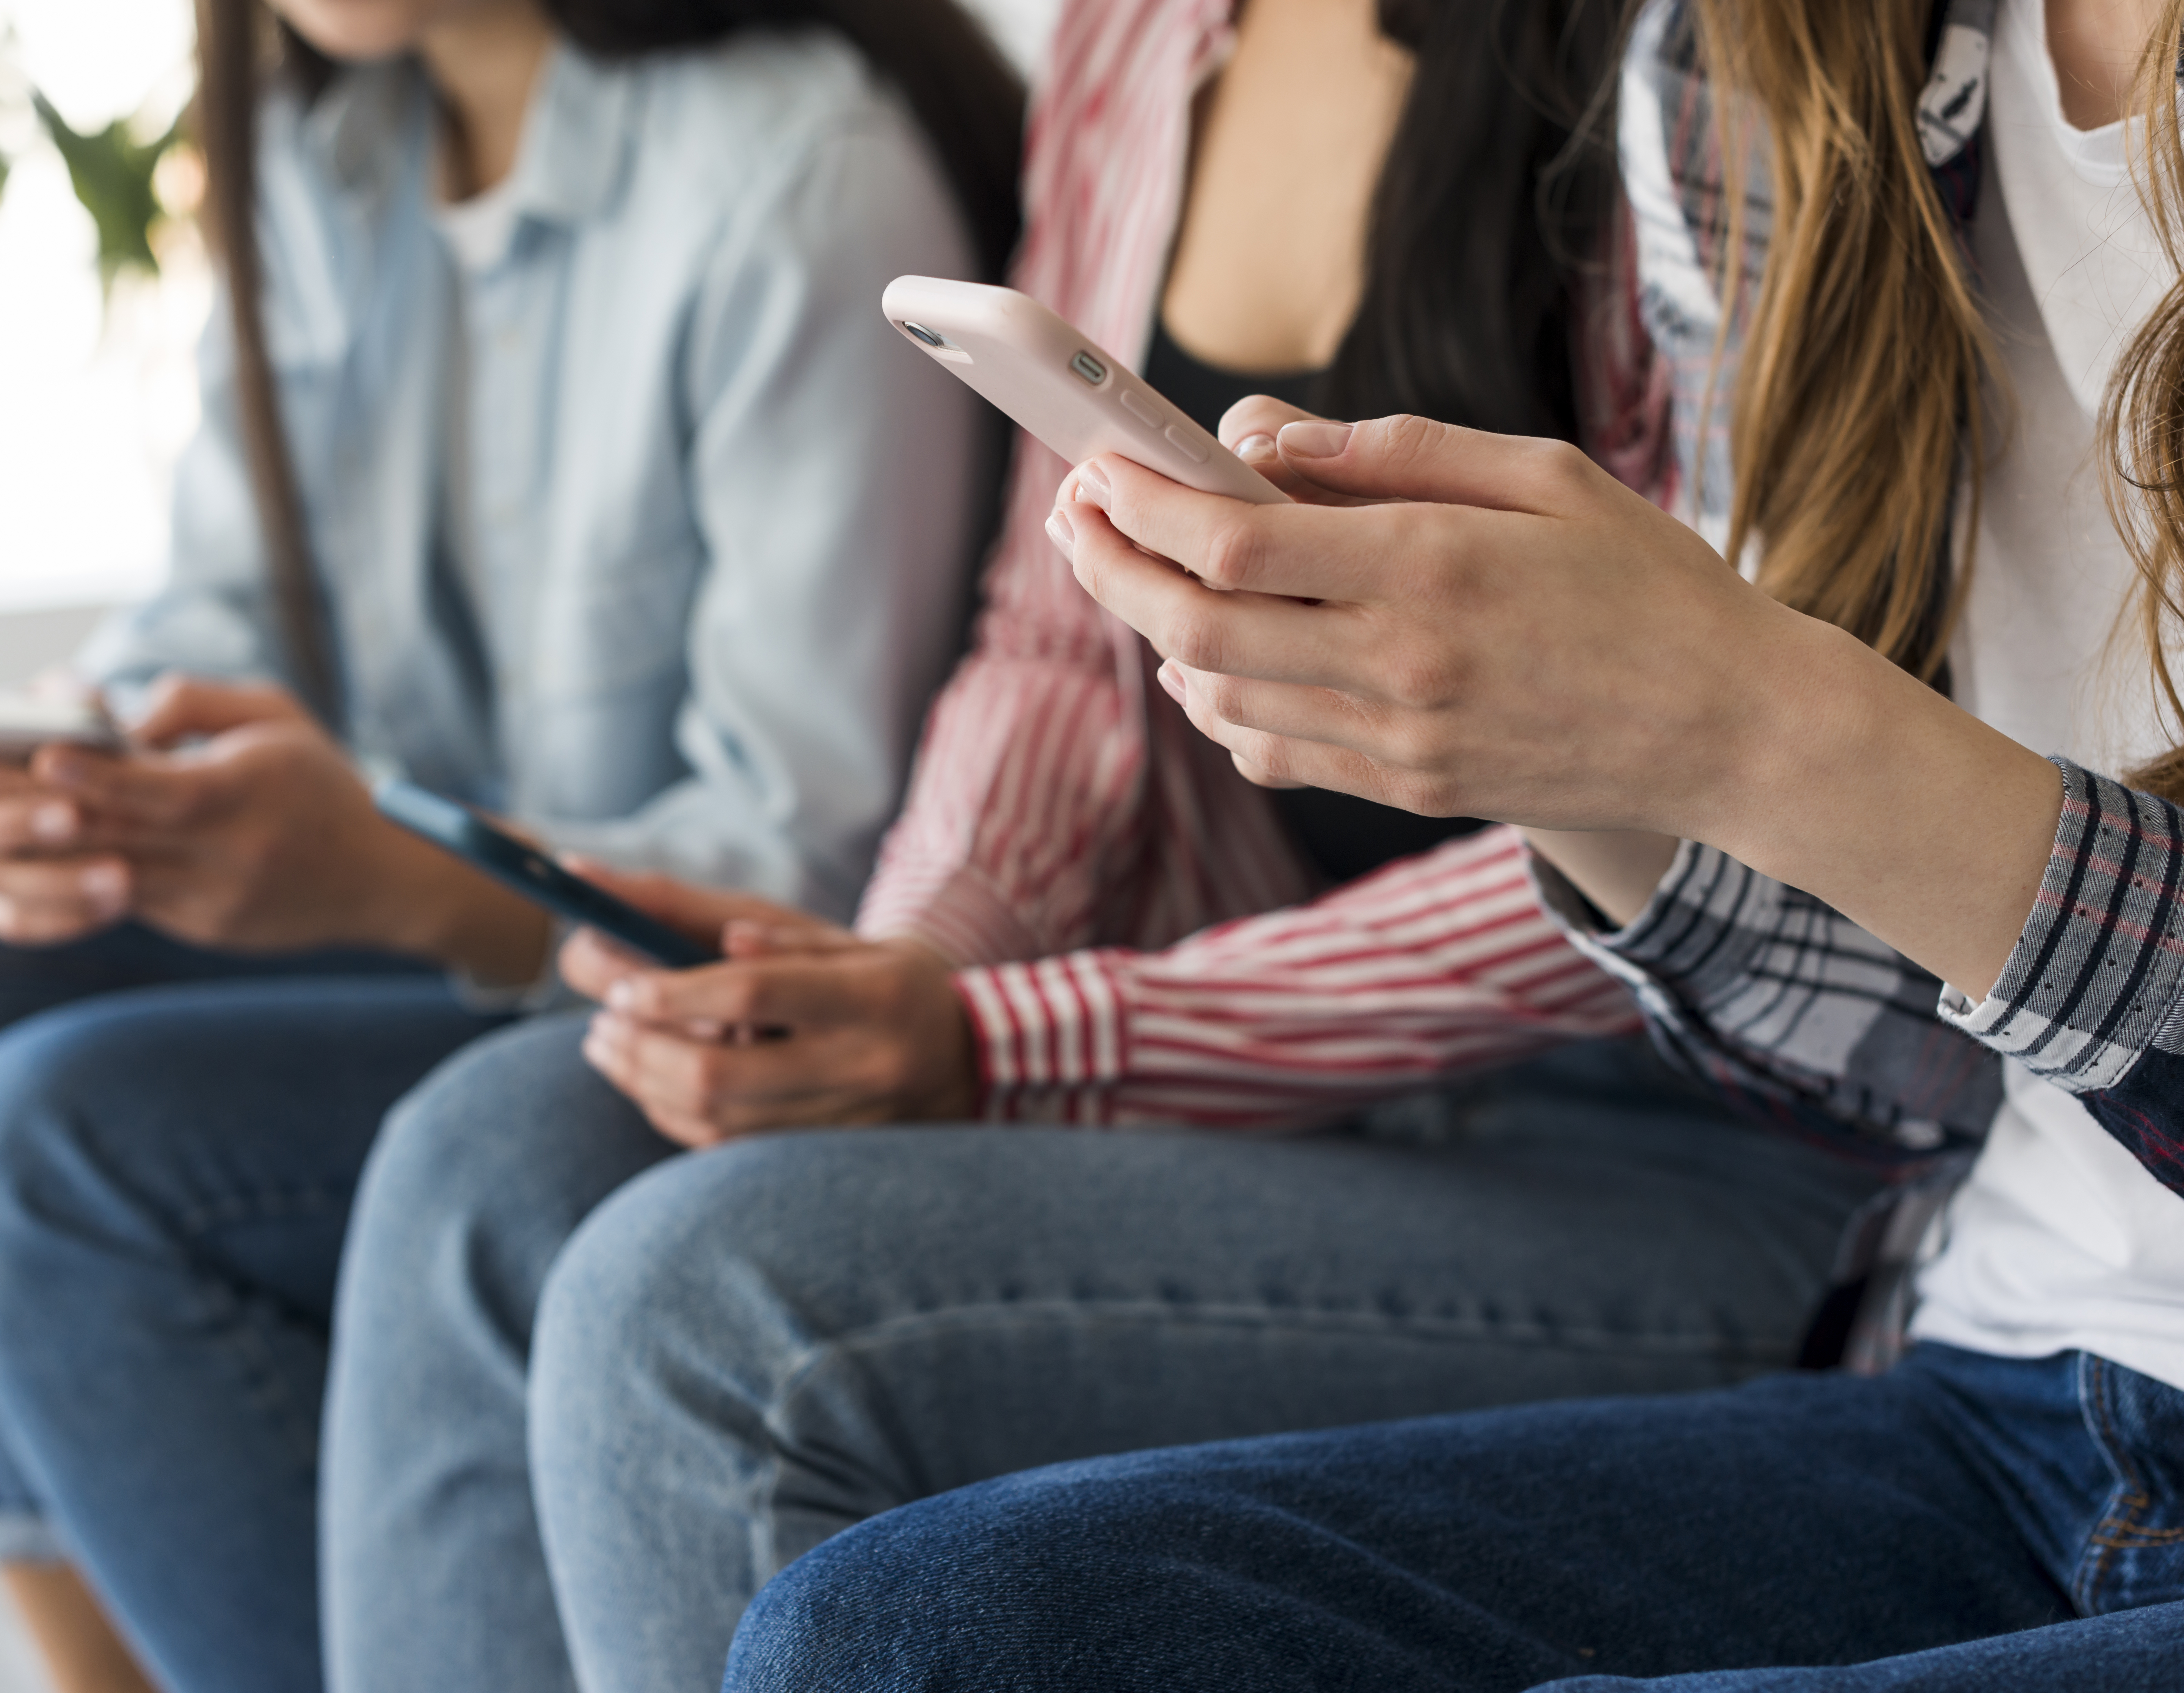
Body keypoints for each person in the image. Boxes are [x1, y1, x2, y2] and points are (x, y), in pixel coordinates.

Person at [311, 1, 1911, 1689]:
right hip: (1323, 1090)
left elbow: (1707, 815)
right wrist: (910, 974)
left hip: (1700, 1133)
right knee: (509, 1145)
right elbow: (1059, 644)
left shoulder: (1710, 61)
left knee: (703, 1307)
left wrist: (1024, 1045)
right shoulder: (1145, 31)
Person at [719, 0, 2184, 1686]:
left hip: (1683, 1188)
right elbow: (1897, 1065)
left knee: (731, 1297)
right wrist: (1575, 763)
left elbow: (1802, 792)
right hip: (2014, 1375)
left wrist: (1755, 721)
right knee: (909, 1637)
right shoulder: (1783, 59)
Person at [0, 1, 1014, 1689]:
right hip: (430, 924)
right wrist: (97, 764)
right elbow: (222, 609)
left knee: (53, 1144)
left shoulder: (797, 172)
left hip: (672, 999)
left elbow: (817, 883)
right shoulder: (328, 149)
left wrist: (405, 888)